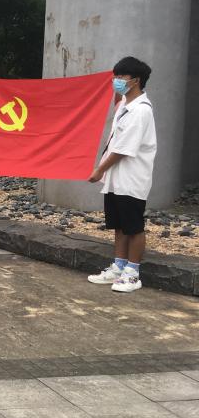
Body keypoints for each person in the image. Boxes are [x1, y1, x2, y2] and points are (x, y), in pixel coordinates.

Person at [87, 56, 157, 293]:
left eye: (120, 76)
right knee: (118, 225)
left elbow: (123, 149)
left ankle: (133, 273)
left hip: (132, 178)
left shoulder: (141, 111)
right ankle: (118, 267)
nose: (116, 80)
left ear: (135, 80)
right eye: (115, 76)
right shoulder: (126, 105)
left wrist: (99, 169)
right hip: (117, 178)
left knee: (133, 226)